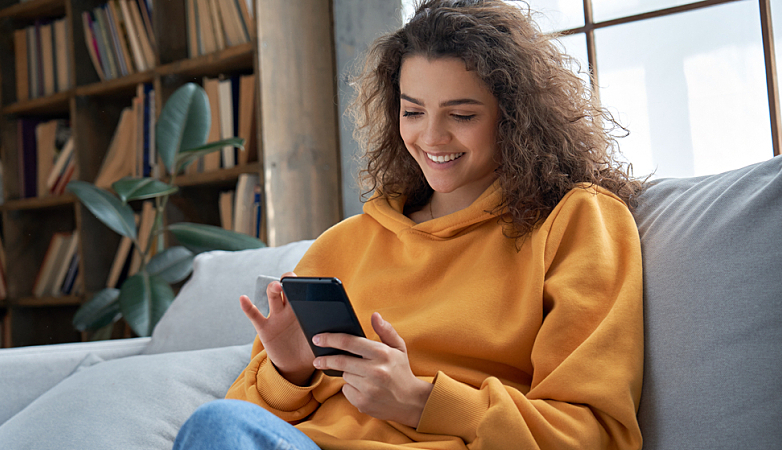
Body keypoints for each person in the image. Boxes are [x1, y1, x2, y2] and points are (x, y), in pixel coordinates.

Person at [173, 0, 645, 449]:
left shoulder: (575, 221)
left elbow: (592, 434)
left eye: (462, 114)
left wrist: (420, 401)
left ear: (515, 117)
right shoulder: (345, 242)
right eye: (413, 112)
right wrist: (290, 373)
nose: (432, 137)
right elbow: (237, 424)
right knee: (214, 424)